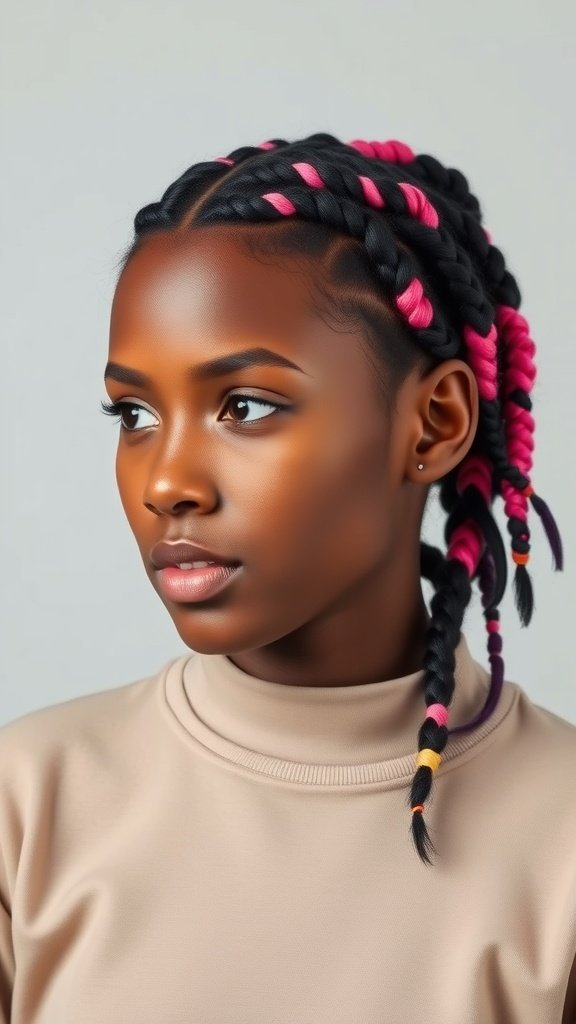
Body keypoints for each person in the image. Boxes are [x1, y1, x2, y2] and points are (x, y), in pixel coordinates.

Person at [0, 131, 574, 1022]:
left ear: (434, 424)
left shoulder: (561, 836)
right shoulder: (26, 805)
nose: (166, 483)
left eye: (246, 406)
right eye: (135, 414)